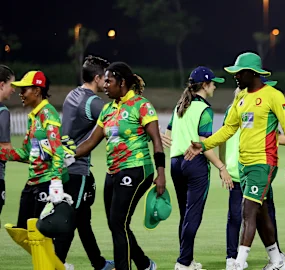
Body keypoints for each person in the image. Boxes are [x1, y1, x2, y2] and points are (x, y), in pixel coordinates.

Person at [186, 52, 285, 270]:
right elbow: (228, 129)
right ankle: (277, 262)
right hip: (244, 164)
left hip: (263, 162)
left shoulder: (274, 95)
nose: (235, 77)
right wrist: (204, 145)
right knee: (261, 213)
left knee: (247, 210)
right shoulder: (240, 98)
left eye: (239, 73)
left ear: (252, 73)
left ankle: (238, 263)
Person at [74, 62, 164, 270]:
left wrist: (161, 174)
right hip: (113, 171)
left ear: (122, 83)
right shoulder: (107, 110)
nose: (105, 85)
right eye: (104, 81)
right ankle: (144, 264)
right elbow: (89, 142)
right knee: (117, 224)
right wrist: (66, 154)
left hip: (138, 169)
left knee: (118, 223)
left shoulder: (141, 105)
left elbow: (157, 142)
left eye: (109, 81)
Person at [221, 77, 285, 269]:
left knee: (250, 213)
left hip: (253, 166)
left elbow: (279, 133)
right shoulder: (241, 105)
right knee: (255, 214)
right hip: (243, 167)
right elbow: (226, 133)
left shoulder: (255, 103)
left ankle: (243, 262)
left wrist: (222, 165)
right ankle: (269, 261)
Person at [0, 71, 76, 267]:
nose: (20, 93)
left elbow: (57, 150)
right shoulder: (34, 117)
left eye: (24, 89)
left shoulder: (47, 114)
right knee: (22, 230)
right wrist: (2, 153)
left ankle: (55, 265)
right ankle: (58, 265)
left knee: (38, 232)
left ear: (37, 90)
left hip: (47, 183)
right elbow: (27, 153)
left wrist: (56, 184)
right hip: (33, 182)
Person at [163, 66, 232, 270]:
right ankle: (183, 263)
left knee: (185, 215)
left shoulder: (180, 106)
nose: (215, 88)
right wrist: (221, 167)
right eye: (213, 84)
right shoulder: (205, 109)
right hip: (195, 164)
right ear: (204, 85)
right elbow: (204, 144)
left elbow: (167, 135)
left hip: (176, 163)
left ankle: (187, 259)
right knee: (193, 214)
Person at [59, 56, 115, 270]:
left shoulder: (72, 94)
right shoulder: (93, 102)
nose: (107, 83)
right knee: (72, 219)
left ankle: (98, 263)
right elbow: (115, 120)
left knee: (82, 219)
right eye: (106, 79)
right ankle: (56, 263)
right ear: (98, 77)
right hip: (77, 168)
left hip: (64, 165)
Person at [0, 65, 15, 218]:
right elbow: (6, 150)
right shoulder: (2, 112)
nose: (14, 90)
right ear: (2, 85)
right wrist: (34, 157)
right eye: (12, 85)